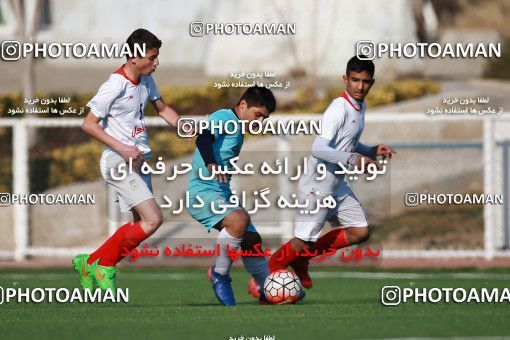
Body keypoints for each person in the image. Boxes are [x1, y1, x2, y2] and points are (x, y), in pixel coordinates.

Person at [266, 55, 395, 289]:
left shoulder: (360, 106)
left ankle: (302, 259)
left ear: (372, 83)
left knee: (360, 231)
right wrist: (354, 159)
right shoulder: (338, 109)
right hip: (318, 184)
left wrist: (371, 150)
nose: (360, 86)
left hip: (336, 184)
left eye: (365, 81)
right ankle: (270, 275)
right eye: (355, 80)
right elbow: (319, 149)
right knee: (302, 240)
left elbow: (347, 143)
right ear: (345, 79)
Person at [73, 28, 182, 292]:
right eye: (152, 57)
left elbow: (164, 109)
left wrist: (187, 127)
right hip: (117, 161)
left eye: (157, 57)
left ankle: (89, 262)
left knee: (141, 224)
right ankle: (105, 265)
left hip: (138, 161)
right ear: (134, 57)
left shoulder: (146, 80)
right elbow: (89, 124)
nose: (156, 62)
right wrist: (123, 148)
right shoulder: (114, 85)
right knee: (153, 219)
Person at [186, 86, 279, 306]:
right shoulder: (224, 117)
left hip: (222, 192)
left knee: (252, 240)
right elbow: (203, 138)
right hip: (202, 192)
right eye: (258, 115)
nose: (260, 122)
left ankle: (270, 290)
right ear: (243, 105)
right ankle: (220, 274)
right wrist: (211, 163)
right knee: (238, 220)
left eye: (264, 118)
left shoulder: (238, 126)